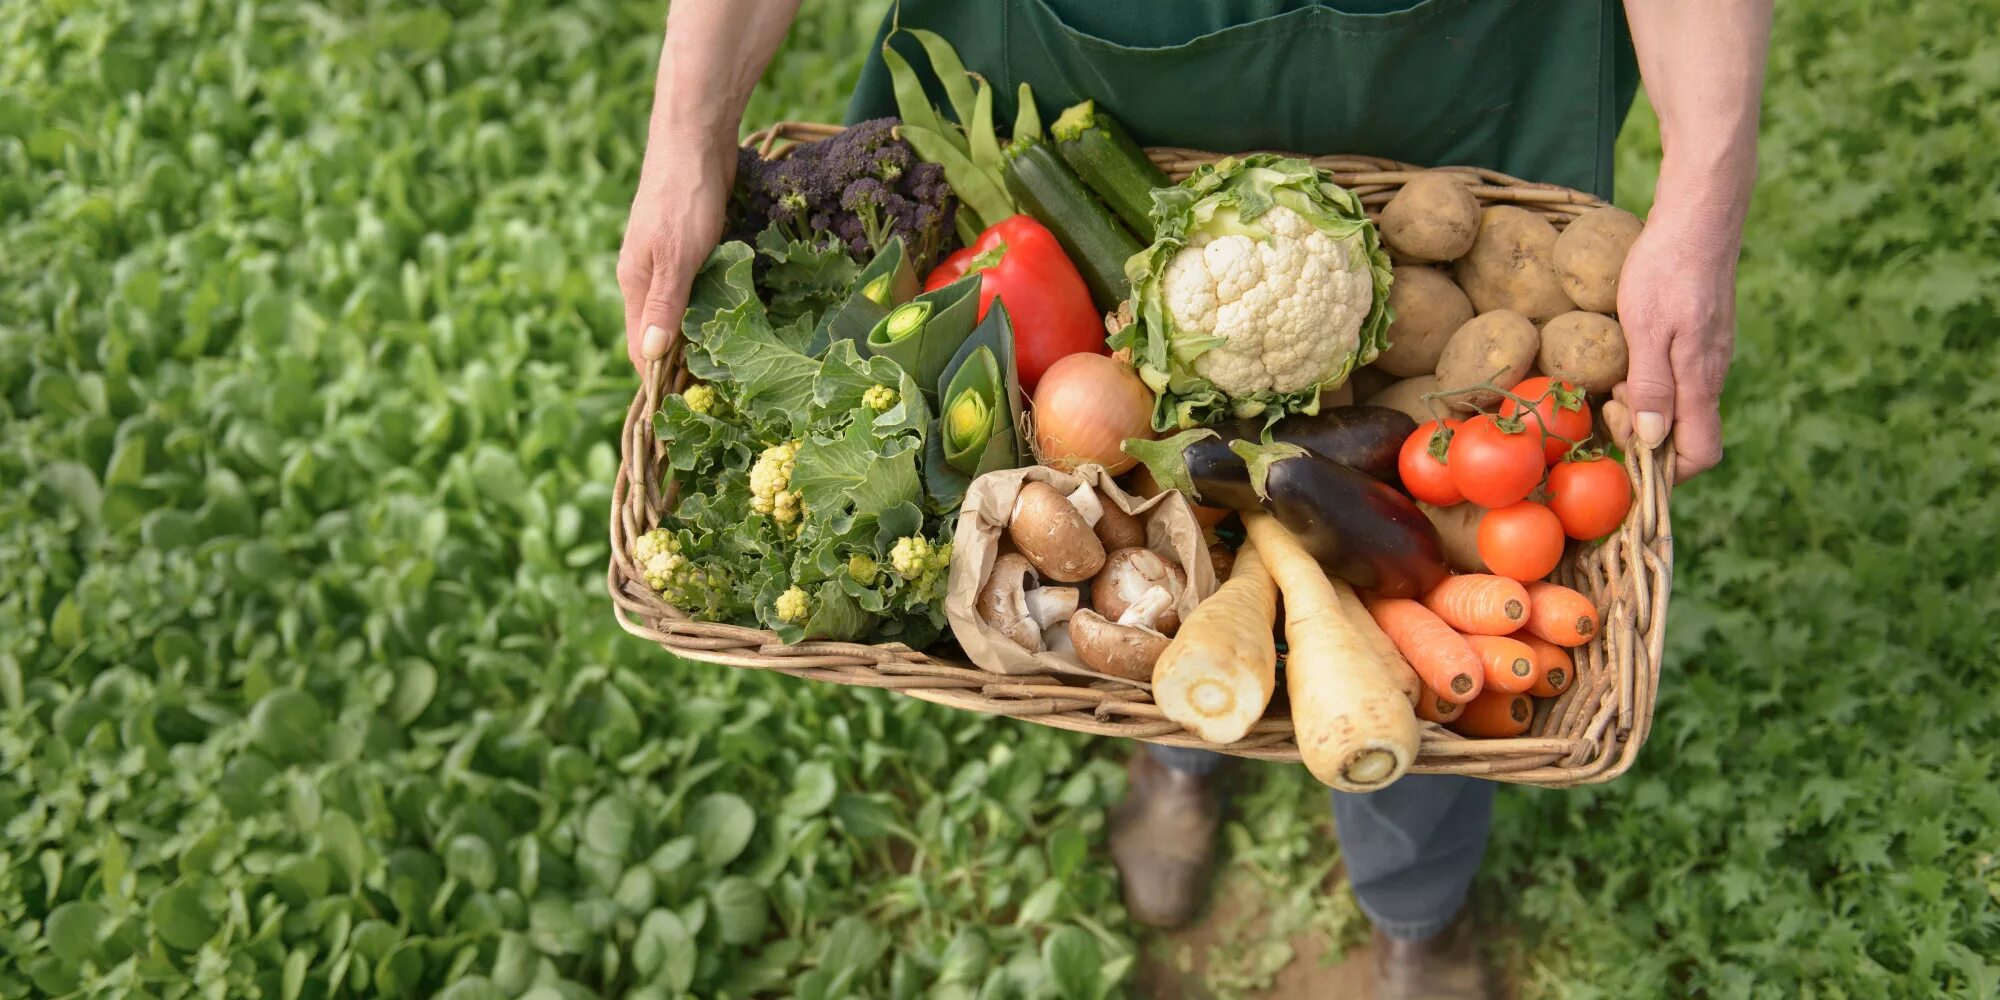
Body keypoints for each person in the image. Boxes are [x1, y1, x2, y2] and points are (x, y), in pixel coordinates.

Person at [619, 2, 1770, 996]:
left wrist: (1708, 188)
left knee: (1414, 607)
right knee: (1175, 542)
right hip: (1084, 63)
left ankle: (1411, 898)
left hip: (1438, 71)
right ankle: (1179, 740)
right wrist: (684, 134)